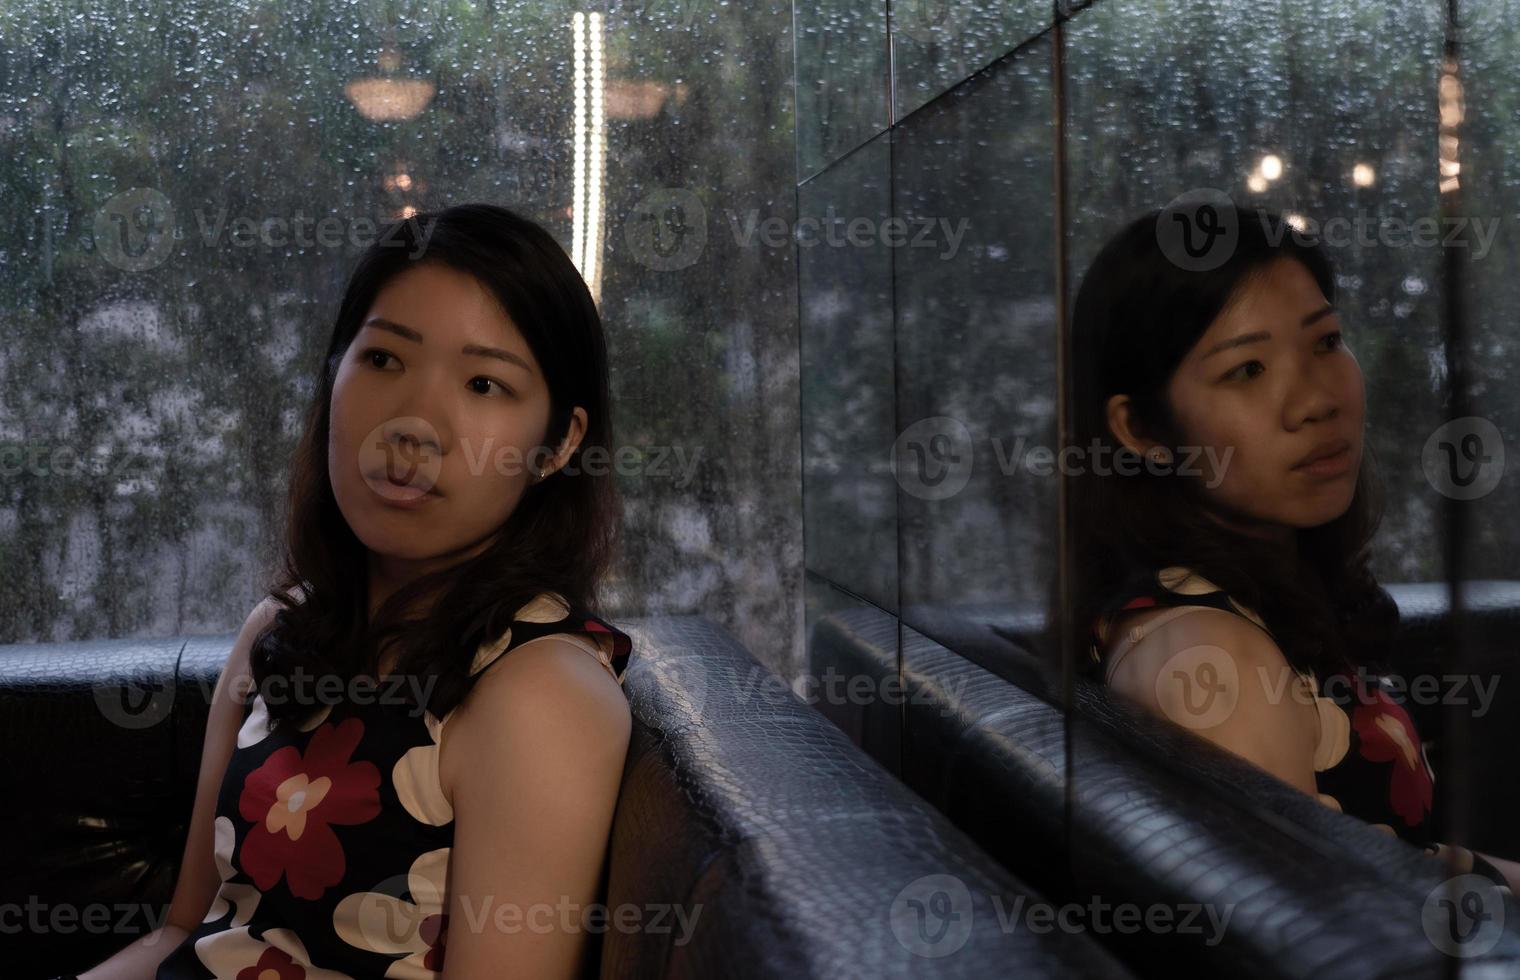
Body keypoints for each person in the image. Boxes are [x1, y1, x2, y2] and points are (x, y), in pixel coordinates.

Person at [78, 203, 635, 980]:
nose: (414, 424)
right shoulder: (278, 629)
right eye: (382, 361)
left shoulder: (541, 692)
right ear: (333, 373)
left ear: (559, 445)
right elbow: (184, 934)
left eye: (483, 383)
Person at [1068, 202, 1518, 894]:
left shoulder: (1248, 599)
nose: (1314, 400)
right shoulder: (1213, 659)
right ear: (1139, 430)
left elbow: (1404, 861)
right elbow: (1311, 935)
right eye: (1247, 369)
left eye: (1326, 342)